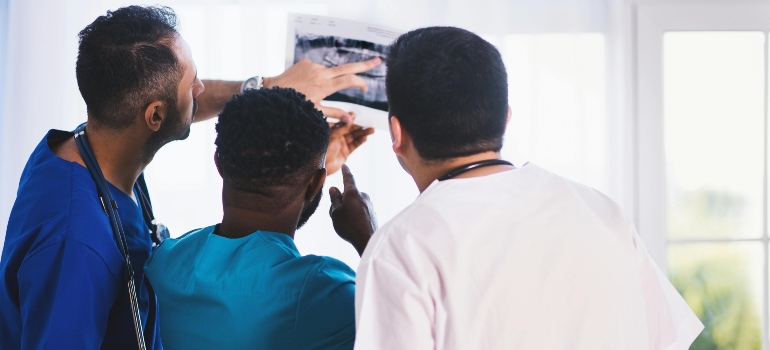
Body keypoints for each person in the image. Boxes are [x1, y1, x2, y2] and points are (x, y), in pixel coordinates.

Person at [0, 5, 376, 349]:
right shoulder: (76, 245)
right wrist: (368, 239)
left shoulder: (89, 145)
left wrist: (270, 100)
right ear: (155, 117)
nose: (201, 89)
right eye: (193, 82)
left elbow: (167, 106)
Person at [328, 27, 704, 349]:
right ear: (506, 119)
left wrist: (373, 245)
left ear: (395, 132)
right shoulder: (603, 211)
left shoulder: (398, 246)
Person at [144, 87, 370, 349]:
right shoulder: (320, 291)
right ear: (317, 183)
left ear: (219, 163)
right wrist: (369, 238)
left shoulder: (163, 262)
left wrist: (307, 174)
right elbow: (413, 329)